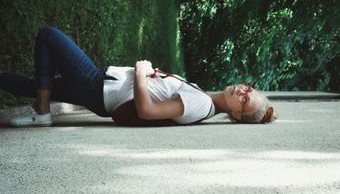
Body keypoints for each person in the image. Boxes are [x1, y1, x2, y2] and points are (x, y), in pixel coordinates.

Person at [0, 26, 278, 127]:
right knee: (34, 86)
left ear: (237, 116)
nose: (242, 92)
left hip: (99, 87)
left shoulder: (201, 105)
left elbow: (146, 111)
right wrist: (156, 77)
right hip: (102, 92)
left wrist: (142, 73)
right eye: (248, 89)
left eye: (244, 101)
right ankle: (42, 106)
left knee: (49, 35)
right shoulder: (202, 97)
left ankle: (42, 111)